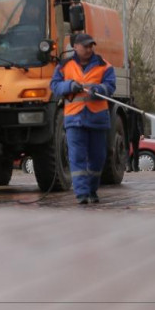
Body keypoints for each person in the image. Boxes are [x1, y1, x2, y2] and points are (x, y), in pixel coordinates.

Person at [50, 33, 116, 204]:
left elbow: (110, 86)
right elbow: (55, 86)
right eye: (85, 46)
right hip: (75, 119)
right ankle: (82, 194)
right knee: (77, 157)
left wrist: (99, 89)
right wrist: (69, 86)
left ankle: (92, 190)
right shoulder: (64, 66)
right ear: (76, 47)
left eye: (91, 46)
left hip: (97, 119)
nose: (89, 49)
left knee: (98, 158)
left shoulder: (104, 66)